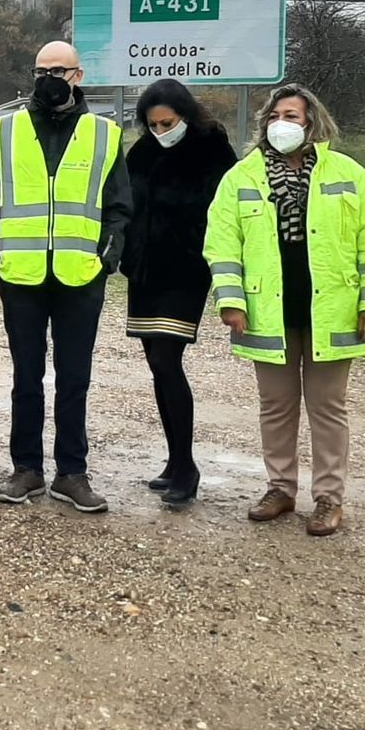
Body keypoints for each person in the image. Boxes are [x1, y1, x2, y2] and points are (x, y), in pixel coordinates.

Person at [204, 83, 365, 537]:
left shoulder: (348, 174)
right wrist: (231, 300)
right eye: (275, 115)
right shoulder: (242, 177)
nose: (282, 123)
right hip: (269, 309)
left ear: (312, 122)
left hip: (333, 308)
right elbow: (223, 243)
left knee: (328, 408)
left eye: (293, 115)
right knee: (276, 406)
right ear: (264, 122)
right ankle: (280, 488)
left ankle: (328, 498)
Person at [0, 41, 132, 513]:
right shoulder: (3, 131)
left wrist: (105, 261)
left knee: (74, 378)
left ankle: (72, 472)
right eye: (41, 70)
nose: (49, 78)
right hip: (21, 275)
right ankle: (26, 468)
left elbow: (119, 207)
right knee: (26, 377)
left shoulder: (104, 134)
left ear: (79, 76)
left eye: (59, 70)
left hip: (80, 276)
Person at [120, 78, 237, 508]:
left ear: (184, 116)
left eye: (167, 122)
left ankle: (187, 466)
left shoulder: (213, 150)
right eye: (152, 124)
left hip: (185, 270)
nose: (160, 130)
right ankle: (174, 460)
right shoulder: (142, 152)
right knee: (155, 363)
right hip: (145, 273)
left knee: (168, 361)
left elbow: (225, 212)